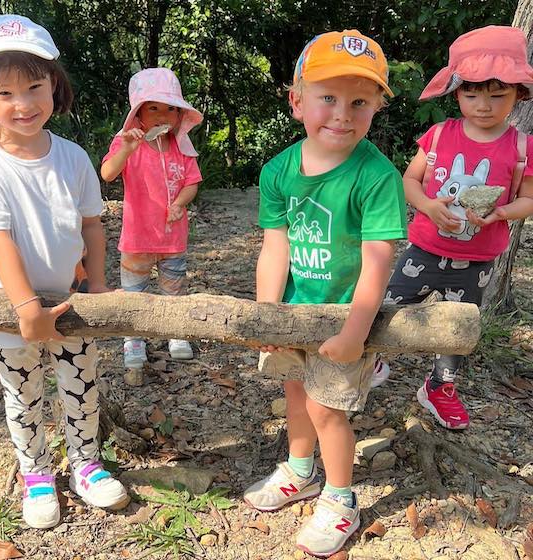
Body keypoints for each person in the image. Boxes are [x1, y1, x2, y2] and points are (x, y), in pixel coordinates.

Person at [0, 14, 129, 529]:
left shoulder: (72, 157)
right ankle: (35, 472)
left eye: (34, 86)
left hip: (72, 299)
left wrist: (96, 288)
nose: (23, 103)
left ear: (54, 82)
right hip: (9, 306)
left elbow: (92, 227)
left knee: (80, 382)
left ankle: (86, 464)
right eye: (4, 92)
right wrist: (27, 307)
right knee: (22, 388)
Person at [243, 30, 407, 557]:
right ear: (297, 101)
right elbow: (276, 248)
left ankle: (340, 498)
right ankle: (298, 470)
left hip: (345, 315)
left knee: (326, 408)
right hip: (294, 311)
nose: (342, 113)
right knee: (295, 393)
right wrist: (268, 318)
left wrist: (356, 331)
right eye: (328, 98)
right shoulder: (278, 171)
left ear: (377, 107)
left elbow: (380, 257)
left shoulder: (377, 176)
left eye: (359, 101)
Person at [372, 26, 533, 430]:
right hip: (423, 249)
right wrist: (427, 204)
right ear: (456, 92)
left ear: (519, 95)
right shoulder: (440, 134)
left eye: (498, 95)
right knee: (390, 307)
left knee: (459, 327)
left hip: (477, 259)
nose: (484, 105)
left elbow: (529, 198)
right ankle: (372, 359)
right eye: (472, 93)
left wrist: (499, 214)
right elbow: (408, 181)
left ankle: (440, 385)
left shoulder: (520, 147)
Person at [101, 67, 202, 369]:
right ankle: (133, 340)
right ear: (139, 115)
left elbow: (192, 182)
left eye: (170, 109)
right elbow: (107, 174)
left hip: (173, 237)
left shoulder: (181, 147)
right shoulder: (127, 143)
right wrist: (128, 149)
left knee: (174, 288)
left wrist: (181, 203)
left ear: (180, 114)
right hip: (137, 237)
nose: (162, 115)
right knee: (134, 292)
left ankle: (175, 332)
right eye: (153, 108)